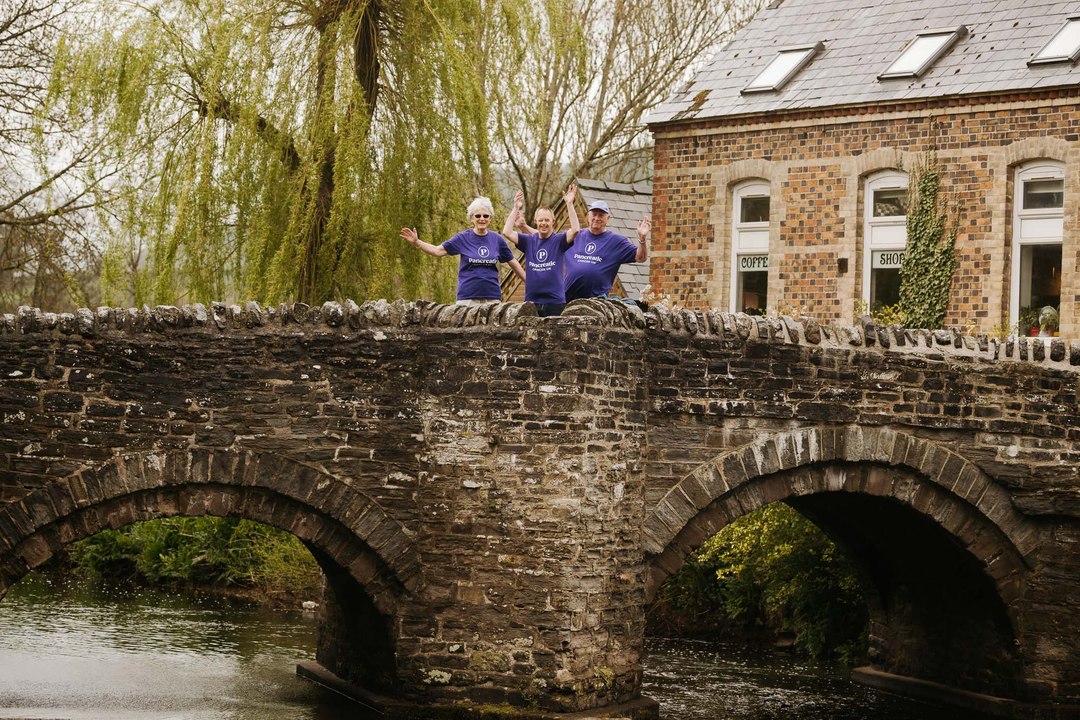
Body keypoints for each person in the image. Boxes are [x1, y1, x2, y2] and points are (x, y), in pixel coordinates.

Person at [401, 197, 525, 305]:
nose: (482, 219)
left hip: (492, 298)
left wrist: (529, 282)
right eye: (478, 216)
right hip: (467, 299)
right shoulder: (462, 238)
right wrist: (417, 242)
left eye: (486, 216)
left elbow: (513, 262)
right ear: (471, 218)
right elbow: (437, 251)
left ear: (490, 219)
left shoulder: (497, 240)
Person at [502, 185, 581, 317]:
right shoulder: (528, 240)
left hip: (555, 302)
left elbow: (575, 230)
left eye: (547, 220)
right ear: (536, 221)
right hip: (531, 302)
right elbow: (507, 232)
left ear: (553, 221)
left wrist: (569, 203)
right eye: (540, 220)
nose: (543, 223)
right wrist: (516, 208)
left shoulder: (559, 240)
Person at [563, 199, 650, 303]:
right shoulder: (574, 236)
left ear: (608, 219)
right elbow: (551, 245)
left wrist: (642, 238)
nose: (596, 218)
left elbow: (641, 258)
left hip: (596, 302)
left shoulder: (616, 241)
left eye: (601, 215)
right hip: (566, 298)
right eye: (594, 214)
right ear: (588, 216)